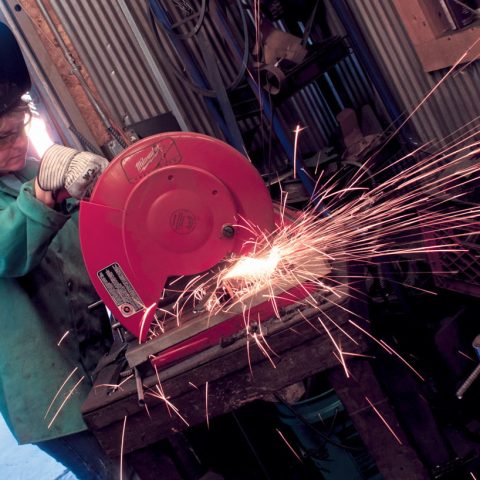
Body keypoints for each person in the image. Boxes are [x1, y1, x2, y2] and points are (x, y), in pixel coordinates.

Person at [0, 22, 133, 479]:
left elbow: (91, 242)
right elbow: (8, 252)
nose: (19, 143)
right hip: (48, 392)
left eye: (21, 128)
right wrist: (42, 196)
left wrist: (101, 189)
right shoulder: (32, 183)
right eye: (3, 137)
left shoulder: (27, 170)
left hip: (100, 358)